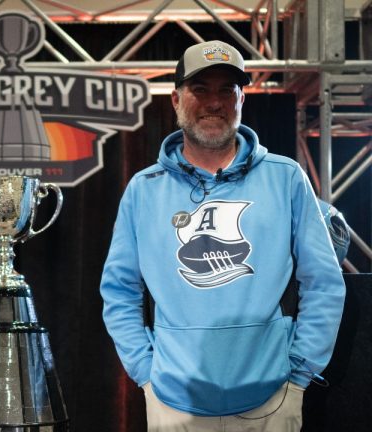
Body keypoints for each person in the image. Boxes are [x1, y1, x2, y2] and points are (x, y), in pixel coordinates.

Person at [100, 40, 345, 431]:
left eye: (226, 90)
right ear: (177, 99)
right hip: (173, 401)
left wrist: (299, 372)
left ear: (241, 100)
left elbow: (324, 282)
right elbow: (119, 290)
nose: (214, 103)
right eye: (200, 89)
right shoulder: (144, 189)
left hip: (272, 397)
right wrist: (145, 373)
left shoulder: (285, 178)